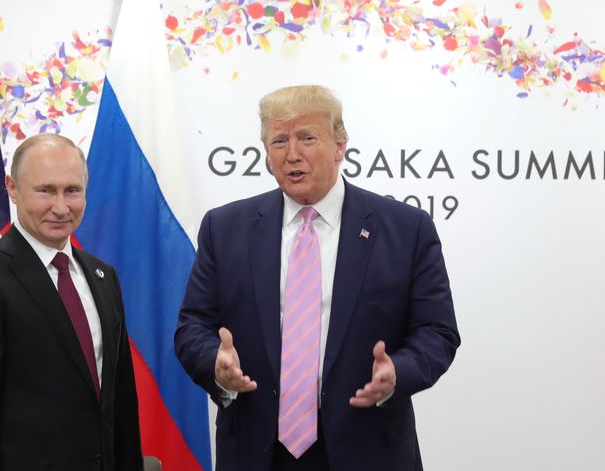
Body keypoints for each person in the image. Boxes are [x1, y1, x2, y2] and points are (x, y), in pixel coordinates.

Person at [175, 85, 460, 470]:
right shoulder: (224, 229)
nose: (293, 154)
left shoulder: (406, 230)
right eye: (279, 140)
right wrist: (216, 364)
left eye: (307, 138)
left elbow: (437, 332)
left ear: (340, 145)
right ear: (266, 152)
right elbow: (193, 326)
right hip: (258, 452)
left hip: (369, 449)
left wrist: (399, 371)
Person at [0, 134, 143, 470]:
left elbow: (121, 403)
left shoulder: (103, 276)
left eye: (72, 190)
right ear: (13, 188)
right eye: (45, 190)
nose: (61, 207)